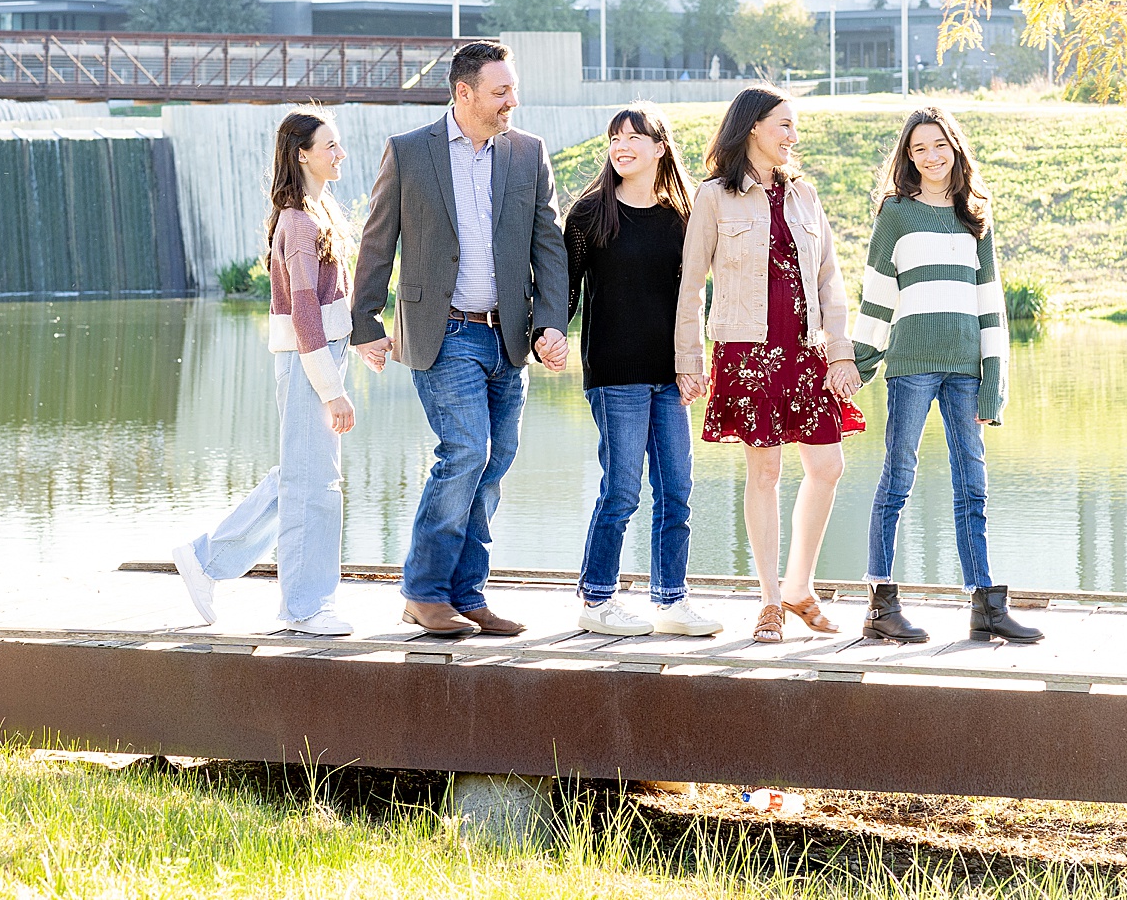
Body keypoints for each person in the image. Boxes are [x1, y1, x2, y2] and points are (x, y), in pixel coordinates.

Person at [350, 41, 570, 639]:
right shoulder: (410, 152)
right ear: (464, 93)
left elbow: (548, 244)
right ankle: (423, 591)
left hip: (507, 338)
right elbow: (377, 241)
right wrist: (365, 323)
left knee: (493, 464)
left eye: (512, 90)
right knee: (466, 450)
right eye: (500, 92)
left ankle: (468, 593)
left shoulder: (528, 154)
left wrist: (553, 322)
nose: (511, 102)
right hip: (442, 332)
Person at [675, 85, 862, 644]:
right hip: (747, 351)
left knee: (827, 467)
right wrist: (689, 360)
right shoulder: (714, 197)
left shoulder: (805, 196)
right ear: (753, 126)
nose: (792, 136)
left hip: (807, 353)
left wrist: (840, 350)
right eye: (784, 124)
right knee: (765, 472)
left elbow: (830, 277)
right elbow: (689, 288)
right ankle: (769, 601)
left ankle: (799, 586)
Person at [852, 104, 1042, 645]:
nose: (930, 156)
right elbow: (877, 295)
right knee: (898, 479)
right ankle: (881, 605)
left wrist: (994, 380)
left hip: (966, 369)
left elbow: (991, 304)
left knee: (972, 487)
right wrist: (858, 363)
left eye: (938, 145)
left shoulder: (974, 214)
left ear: (954, 147)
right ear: (908, 158)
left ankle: (985, 605)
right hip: (910, 367)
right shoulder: (895, 214)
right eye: (918, 149)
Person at [173, 108, 357, 635]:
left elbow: (328, 301)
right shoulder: (299, 222)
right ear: (303, 154)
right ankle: (302, 608)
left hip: (321, 355)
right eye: (331, 146)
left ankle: (208, 560)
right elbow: (304, 313)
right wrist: (332, 390)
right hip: (309, 363)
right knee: (313, 485)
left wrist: (365, 339)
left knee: (302, 478)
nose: (339, 153)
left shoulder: (319, 212)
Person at [564, 103, 722, 638]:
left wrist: (694, 363)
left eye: (635, 137)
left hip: (670, 374)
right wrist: (547, 333)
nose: (622, 145)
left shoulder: (685, 217)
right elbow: (565, 291)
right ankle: (596, 599)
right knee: (623, 490)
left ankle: (671, 601)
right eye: (615, 137)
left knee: (677, 490)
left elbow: (695, 296)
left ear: (660, 147)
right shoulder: (589, 214)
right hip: (615, 374)